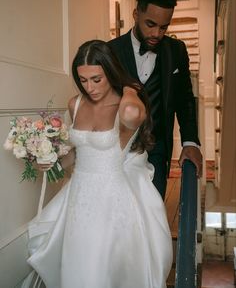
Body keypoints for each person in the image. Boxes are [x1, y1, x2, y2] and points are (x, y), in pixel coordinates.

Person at [22, 40, 173, 288]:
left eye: (96, 79)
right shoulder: (75, 104)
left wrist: (130, 88)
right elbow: (77, 154)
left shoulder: (126, 106)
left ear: (111, 72)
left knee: (101, 263)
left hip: (111, 197)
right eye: (83, 80)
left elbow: (132, 116)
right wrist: (51, 163)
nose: (89, 87)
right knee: (77, 261)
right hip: (79, 194)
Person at [108, 0, 203, 199]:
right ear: (136, 14)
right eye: (150, 24)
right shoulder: (110, 51)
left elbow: (185, 99)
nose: (156, 33)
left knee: (154, 208)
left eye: (164, 27)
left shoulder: (176, 51)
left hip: (158, 148)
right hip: (118, 148)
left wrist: (190, 142)